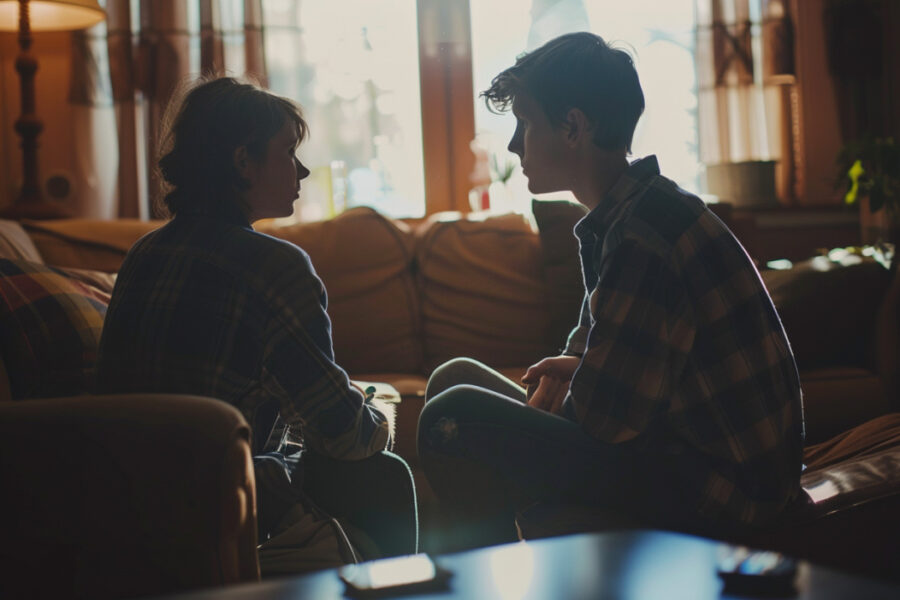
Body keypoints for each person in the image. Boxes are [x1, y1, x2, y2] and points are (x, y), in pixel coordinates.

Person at [417, 32, 805, 551]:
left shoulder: (645, 236)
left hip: (723, 491)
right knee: (452, 377)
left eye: (526, 124)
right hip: (676, 450)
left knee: (453, 413)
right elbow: (611, 367)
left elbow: (603, 420)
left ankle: (493, 578)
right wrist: (578, 372)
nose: (514, 145)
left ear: (574, 127)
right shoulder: (626, 217)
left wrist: (567, 396)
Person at [95, 76, 417, 567]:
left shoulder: (142, 254)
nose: (302, 170)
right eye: (288, 151)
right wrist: (378, 415)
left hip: (124, 502)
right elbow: (344, 434)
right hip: (221, 499)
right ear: (242, 160)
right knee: (385, 476)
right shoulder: (276, 267)